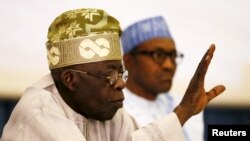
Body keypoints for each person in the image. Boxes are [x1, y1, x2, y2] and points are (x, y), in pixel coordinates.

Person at [1, 8, 225, 141]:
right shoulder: (38, 113)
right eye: (109, 76)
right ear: (70, 79)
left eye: (121, 73)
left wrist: (184, 111)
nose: (120, 84)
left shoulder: (106, 109)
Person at [121, 16, 204, 141]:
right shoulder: (115, 112)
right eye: (158, 55)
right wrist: (181, 114)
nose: (169, 65)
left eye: (172, 56)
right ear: (129, 61)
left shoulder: (184, 104)